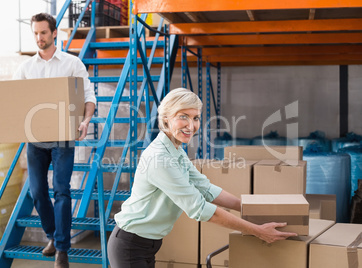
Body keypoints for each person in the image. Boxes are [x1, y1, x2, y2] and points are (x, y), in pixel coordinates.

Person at [107, 88, 297, 268]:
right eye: (183, 117)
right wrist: (258, 231)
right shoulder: (160, 158)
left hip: (147, 244)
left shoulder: (175, 150)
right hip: (130, 245)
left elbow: (205, 188)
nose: (191, 126)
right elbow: (200, 209)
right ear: (166, 119)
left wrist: (249, 208)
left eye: (196, 118)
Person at [13, 13, 96, 268]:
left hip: (63, 139)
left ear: (54, 33)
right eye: (35, 33)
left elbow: (89, 97)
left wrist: (84, 121)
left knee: (61, 190)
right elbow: (15, 102)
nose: (39, 38)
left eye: (43, 33)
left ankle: (61, 249)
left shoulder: (71, 64)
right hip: (35, 140)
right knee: (37, 192)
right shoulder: (26, 68)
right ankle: (52, 235)